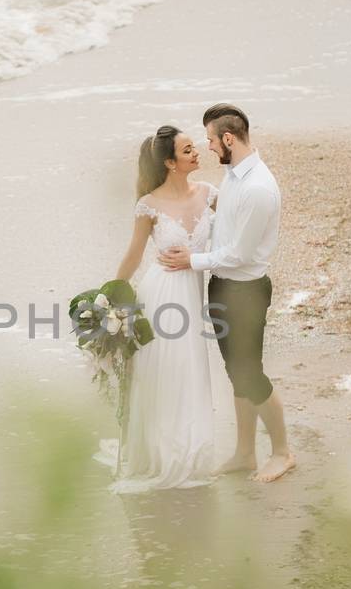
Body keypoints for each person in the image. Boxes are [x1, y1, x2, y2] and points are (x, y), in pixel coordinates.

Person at [159, 104, 295, 484]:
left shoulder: (258, 188)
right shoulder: (235, 175)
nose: (208, 147)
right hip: (223, 285)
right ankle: (246, 452)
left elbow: (241, 253)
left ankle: (282, 452)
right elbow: (223, 227)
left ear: (228, 139)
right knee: (237, 373)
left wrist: (192, 259)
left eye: (211, 140)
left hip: (246, 290)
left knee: (250, 373)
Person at [101, 125, 218, 493]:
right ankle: (162, 453)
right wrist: (109, 296)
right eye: (187, 150)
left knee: (189, 368)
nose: (197, 151)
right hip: (161, 295)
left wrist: (199, 258)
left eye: (194, 146)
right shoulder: (148, 204)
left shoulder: (211, 194)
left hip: (191, 291)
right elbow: (135, 255)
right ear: (170, 162)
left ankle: (189, 447)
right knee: (164, 371)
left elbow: (231, 240)